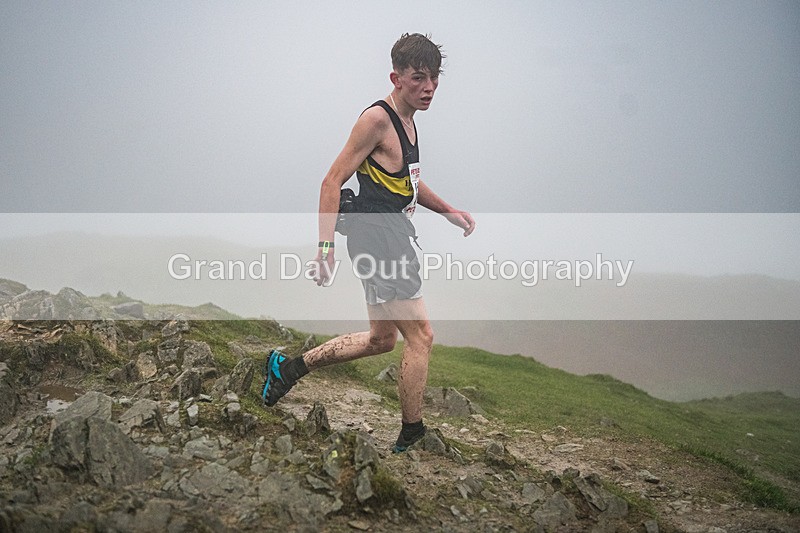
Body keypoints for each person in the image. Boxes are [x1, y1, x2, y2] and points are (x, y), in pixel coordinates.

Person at [261, 33, 475, 453]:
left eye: (434, 78)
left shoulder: (409, 122)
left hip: (389, 235)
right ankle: (411, 433)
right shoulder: (377, 120)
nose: (429, 87)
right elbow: (330, 181)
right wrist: (325, 249)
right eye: (418, 78)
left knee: (382, 339)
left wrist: (449, 211)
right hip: (378, 240)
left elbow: (407, 182)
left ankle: (287, 369)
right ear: (396, 78)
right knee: (421, 337)